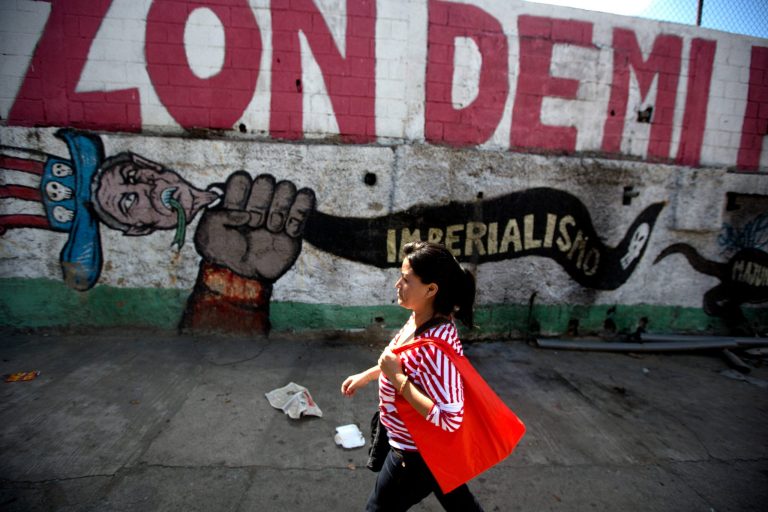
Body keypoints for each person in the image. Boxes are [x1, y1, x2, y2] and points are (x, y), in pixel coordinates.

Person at [341, 241, 484, 511]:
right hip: (420, 446)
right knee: (460, 502)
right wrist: (368, 375)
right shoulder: (419, 318)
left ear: (431, 289)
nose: (398, 284)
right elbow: (400, 362)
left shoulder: (435, 350)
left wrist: (397, 380)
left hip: (414, 454)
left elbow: (449, 418)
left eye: (406, 280)